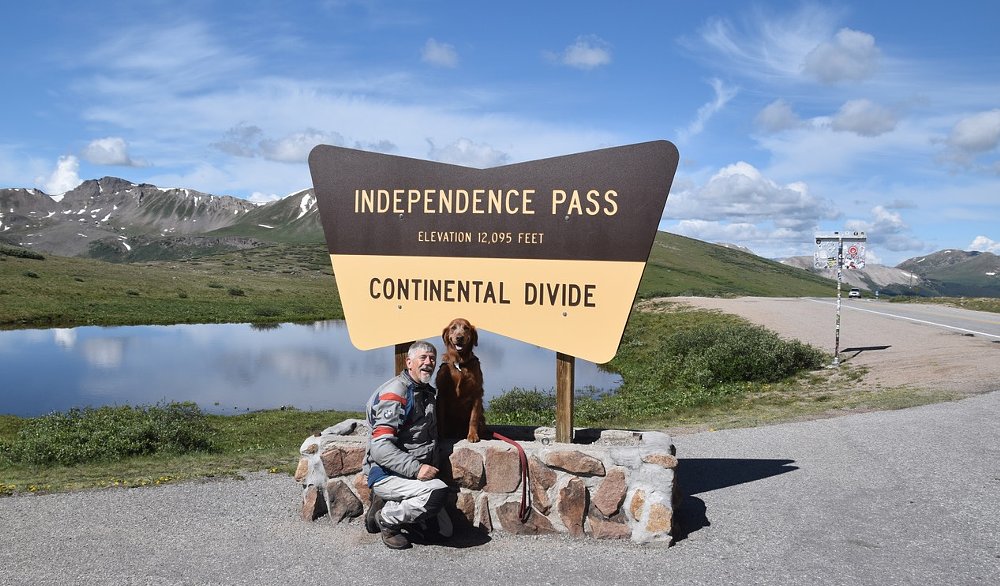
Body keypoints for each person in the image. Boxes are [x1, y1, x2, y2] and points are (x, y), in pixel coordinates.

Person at [363, 340, 452, 549]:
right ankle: (386, 518)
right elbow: (380, 447)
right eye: (423, 358)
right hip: (388, 474)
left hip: (410, 478)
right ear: (409, 361)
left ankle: (391, 505)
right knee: (437, 491)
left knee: (443, 532)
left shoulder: (425, 391)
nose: (428, 363)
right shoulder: (396, 392)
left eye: (432, 358)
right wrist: (417, 469)